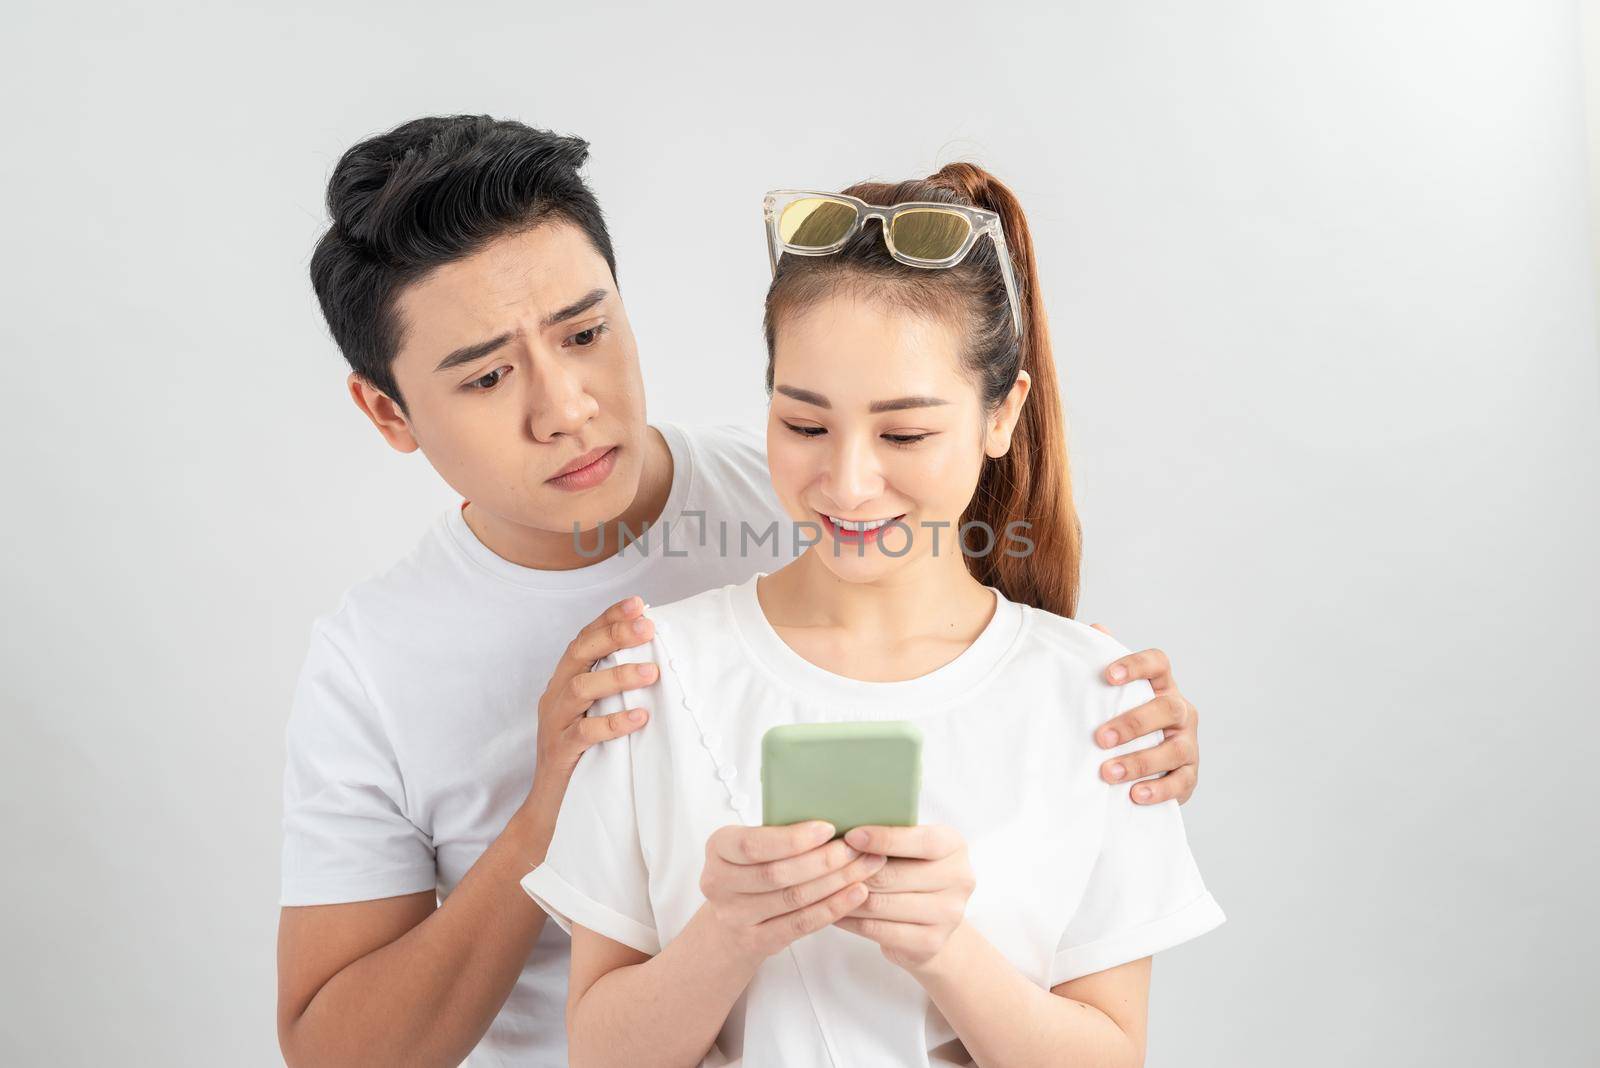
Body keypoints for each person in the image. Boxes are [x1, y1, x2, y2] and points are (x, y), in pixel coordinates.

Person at [276, 116, 1205, 1067]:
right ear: (389, 412)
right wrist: (549, 807)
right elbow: (337, 1051)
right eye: (486, 376)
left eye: (587, 332)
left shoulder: (814, 494)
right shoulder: (382, 663)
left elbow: (979, 611)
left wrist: (1119, 712)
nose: (566, 408)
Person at [524, 165, 1223, 1067]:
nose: (849, 483)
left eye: (904, 434)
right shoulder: (655, 678)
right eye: (806, 425)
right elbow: (599, 1054)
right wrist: (726, 936)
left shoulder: (1099, 702)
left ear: (1002, 414)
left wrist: (945, 949)